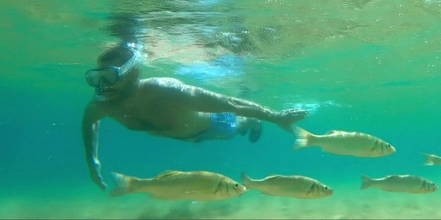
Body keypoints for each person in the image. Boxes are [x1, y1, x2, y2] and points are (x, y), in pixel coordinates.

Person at [82, 42, 308, 190]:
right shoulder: (103, 104)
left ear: (135, 73)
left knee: (235, 128)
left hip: (213, 125)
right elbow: (90, 121)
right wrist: (93, 159)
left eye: (110, 76)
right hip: (184, 135)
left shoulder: (169, 91)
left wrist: (276, 117)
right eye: (97, 77)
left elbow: (232, 103)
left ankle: (251, 121)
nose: (102, 86)